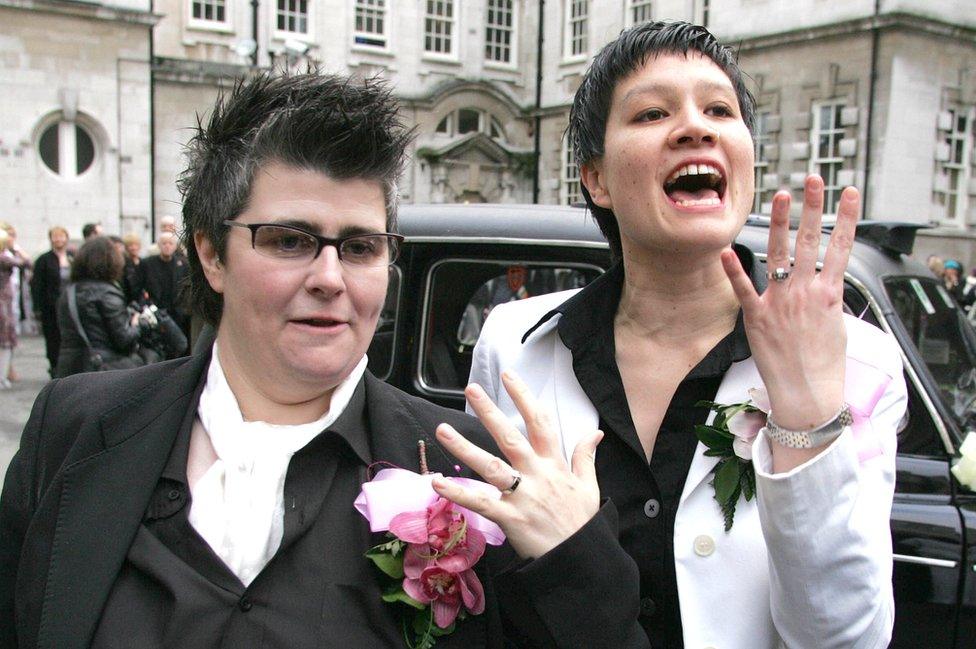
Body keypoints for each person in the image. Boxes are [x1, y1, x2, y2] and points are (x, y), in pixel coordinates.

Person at [0, 72, 634, 649]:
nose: (330, 277)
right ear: (212, 255)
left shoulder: (467, 475)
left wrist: (574, 561)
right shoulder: (77, 429)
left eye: (359, 247)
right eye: (290, 241)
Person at [436, 21, 908, 649]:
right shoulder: (514, 342)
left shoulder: (858, 361)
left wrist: (805, 416)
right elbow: (491, 582)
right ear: (597, 179)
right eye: (653, 112)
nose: (696, 126)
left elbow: (847, 638)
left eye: (720, 109)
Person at [53, 236, 143, 377]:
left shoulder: (69, 291)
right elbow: (124, 340)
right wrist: (137, 324)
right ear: (111, 261)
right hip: (101, 370)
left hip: (69, 368)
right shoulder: (106, 293)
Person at [30, 226, 73, 376]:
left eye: (61, 236)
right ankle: (54, 366)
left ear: (66, 238)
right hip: (51, 306)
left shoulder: (72, 257)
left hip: (70, 304)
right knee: (53, 337)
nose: (58, 239)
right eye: (55, 236)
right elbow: (37, 285)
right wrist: (37, 308)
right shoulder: (44, 260)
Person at [133, 231, 190, 340]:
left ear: (175, 246)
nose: (167, 246)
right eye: (164, 243)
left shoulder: (183, 264)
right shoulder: (147, 264)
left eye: (170, 243)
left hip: (177, 313)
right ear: (158, 245)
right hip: (155, 310)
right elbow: (138, 287)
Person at [0, 223, 32, 382]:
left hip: (8, 300)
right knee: (5, 339)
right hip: (4, 302)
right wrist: (17, 249)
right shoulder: (5, 257)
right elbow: (27, 262)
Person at [121, 232, 142, 302]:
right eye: (130, 245)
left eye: (136, 245)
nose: (133, 248)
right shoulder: (123, 263)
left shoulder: (143, 262)